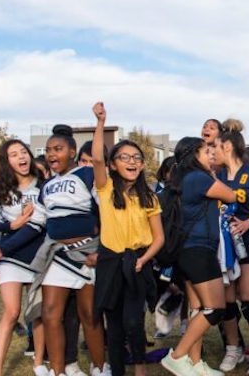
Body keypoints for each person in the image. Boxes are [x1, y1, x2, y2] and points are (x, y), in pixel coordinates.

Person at [89, 103, 165, 376]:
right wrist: (100, 122)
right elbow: (97, 158)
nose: (132, 161)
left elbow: (159, 238)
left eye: (137, 158)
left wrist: (144, 259)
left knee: (134, 322)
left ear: (143, 164)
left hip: (137, 263)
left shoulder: (150, 197)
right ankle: (118, 370)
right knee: (115, 324)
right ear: (113, 164)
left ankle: (140, 370)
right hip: (110, 263)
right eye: (124, 157)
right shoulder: (105, 188)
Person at [32, 125, 108, 376]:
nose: (52, 154)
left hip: (87, 253)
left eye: (58, 149)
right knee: (51, 314)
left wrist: (102, 249)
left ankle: (99, 368)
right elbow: (37, 224)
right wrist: (3, 248)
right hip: (58, 254)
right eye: (49, 150)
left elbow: (105, 212)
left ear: (72, 151)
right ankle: (59, 371)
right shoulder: (45, 186)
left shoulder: (86, 175)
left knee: (90, 315)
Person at [159, 136, 237, 376]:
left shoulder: (183, 179)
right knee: (214, 309)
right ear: (193, 155)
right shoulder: (199, 178)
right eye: (206, 151)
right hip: (199, 250)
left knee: (198, 308)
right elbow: (231, 196)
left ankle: (195, 365)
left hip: (187, 251)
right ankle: (177, 356)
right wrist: (214, 173)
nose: (210, 154)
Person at [0, 139, 48, 376]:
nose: (21, 157)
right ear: (6, 161)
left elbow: (38, 227)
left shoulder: (43, 186)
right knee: (11, 312)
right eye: (13, 154)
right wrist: (13, 223)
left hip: (38, 257)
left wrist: (4, 246)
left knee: (37, 313)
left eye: (23, 152)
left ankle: (39, 363)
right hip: (10, 256)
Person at [214, 118, 249, 374]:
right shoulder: (217, 175)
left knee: (248, 297)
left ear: (227, 147)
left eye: (215, 146)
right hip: (224, 245)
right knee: (225, 299)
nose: (212, 151)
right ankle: (233, 348)